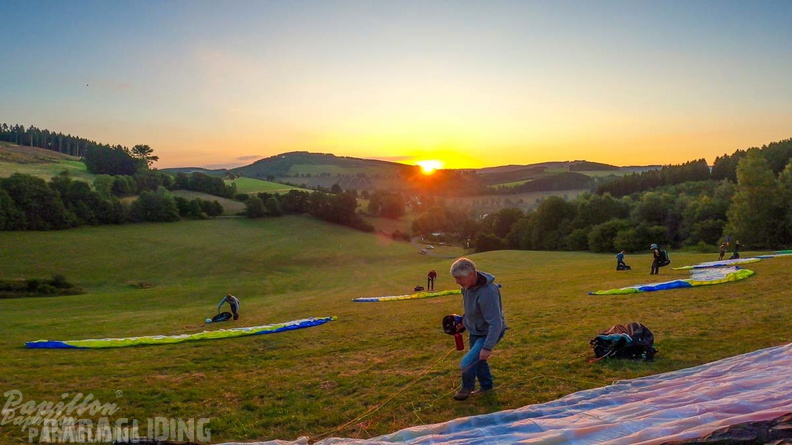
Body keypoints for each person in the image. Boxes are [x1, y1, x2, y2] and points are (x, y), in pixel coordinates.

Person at [449, 258, 507, 401]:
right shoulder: (467, 287)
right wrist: (464, 322)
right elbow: (471, 310)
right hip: (475, 331)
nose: (457, 282)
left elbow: (496, 323)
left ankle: (467, 387)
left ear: (471, 274)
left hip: (489, 332)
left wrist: (487, 347)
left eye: (459, 278)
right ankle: (487, 387)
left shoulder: (488, 292)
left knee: (467, 363)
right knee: (479, 361)